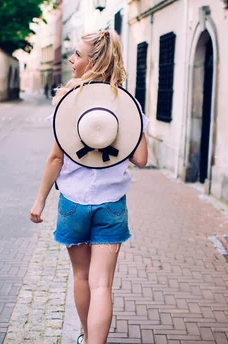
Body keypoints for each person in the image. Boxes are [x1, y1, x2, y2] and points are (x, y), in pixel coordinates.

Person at [29, 30, 149, 344]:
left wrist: (40, 201)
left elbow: (55, 158)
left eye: (78, 55)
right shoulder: (125, 103)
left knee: (82, 277)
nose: (71, 59)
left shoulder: (69, 101)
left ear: (92, 62)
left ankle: (86, 337)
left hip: (73, 203)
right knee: (102, 285)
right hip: (112, 204)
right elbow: (141, 158)